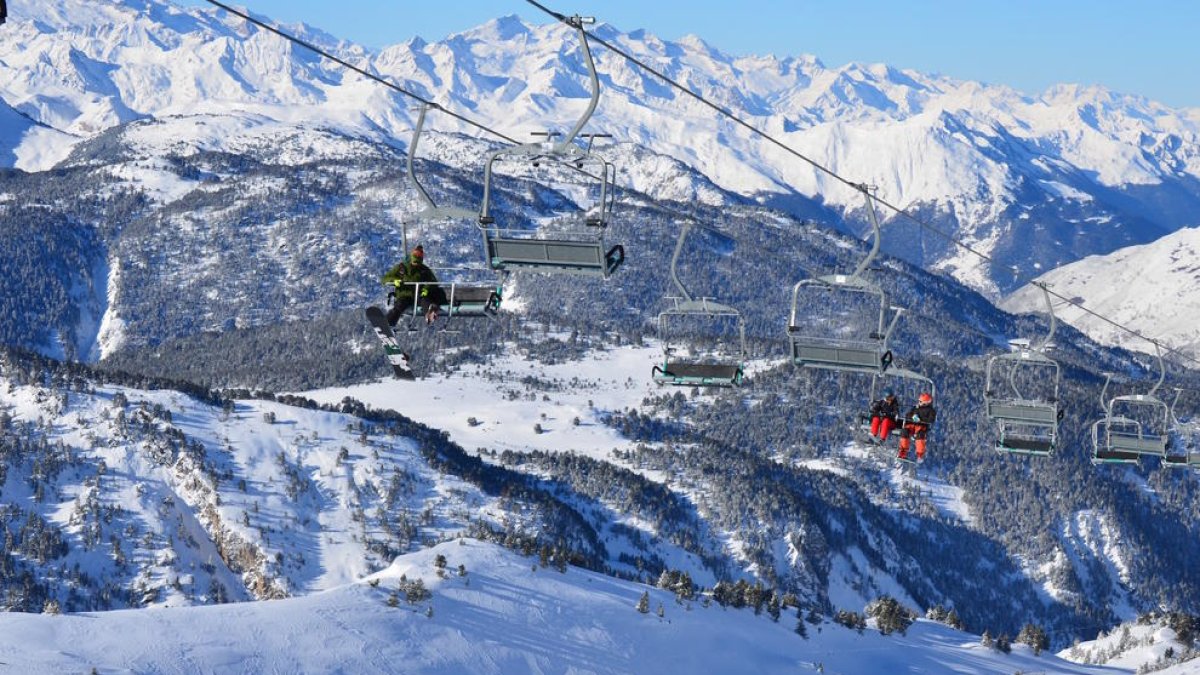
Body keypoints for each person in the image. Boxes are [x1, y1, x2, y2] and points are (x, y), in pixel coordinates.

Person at [381, 245, 446, 328]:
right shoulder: (401, 268)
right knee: (400, 306)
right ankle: (388, 324)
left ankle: (430, 312)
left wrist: (426, 289)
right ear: (411, 258)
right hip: (405, 295)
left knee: (425, 301)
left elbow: (434, 282)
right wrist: (394, 281)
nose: (416, 264)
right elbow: (384, 279)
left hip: (418, 295)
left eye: (418, 262)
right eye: (414, 261)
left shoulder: (424, 270)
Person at [898, 392, 936, 462]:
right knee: (904, 431)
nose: (919, 402)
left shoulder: (931, 411)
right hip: (912, 425)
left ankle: (920, 455)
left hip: (921, 426)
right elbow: (908, 415)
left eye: (921, 401)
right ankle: (902, 452)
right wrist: (912, 416)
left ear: (926, 402)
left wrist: (920, 419)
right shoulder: (916, 408)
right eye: (919, 401)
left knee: (920, 436)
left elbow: (931, 420)